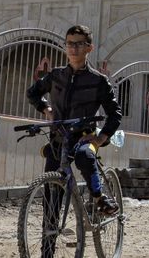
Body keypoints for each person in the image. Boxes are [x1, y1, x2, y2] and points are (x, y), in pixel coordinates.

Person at [26, 24, 122, 215]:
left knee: (85, 156)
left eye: (79, 44)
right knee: (51, 197)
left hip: (84, 137)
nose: (73, 48)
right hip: (58, 139)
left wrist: (100, 138)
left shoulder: (99, 81)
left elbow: (114, 113)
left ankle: (99, 198)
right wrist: (46, 109)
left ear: (89, 48)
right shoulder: (55, 76)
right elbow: (33, 93)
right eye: (69, 44)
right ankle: (48, 243)